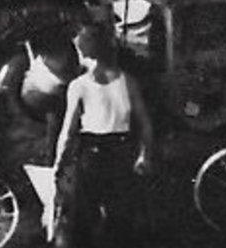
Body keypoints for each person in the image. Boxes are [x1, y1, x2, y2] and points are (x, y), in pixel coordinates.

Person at [54, 22, 155, 248]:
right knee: (120, 218)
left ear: (84, 53)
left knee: (84, 218)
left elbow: (68, 132)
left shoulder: (79, 86)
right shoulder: (128, 82)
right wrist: (144, 155)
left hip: (92, 154)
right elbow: (146, 125)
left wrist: (58, 163)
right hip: (122, 152)